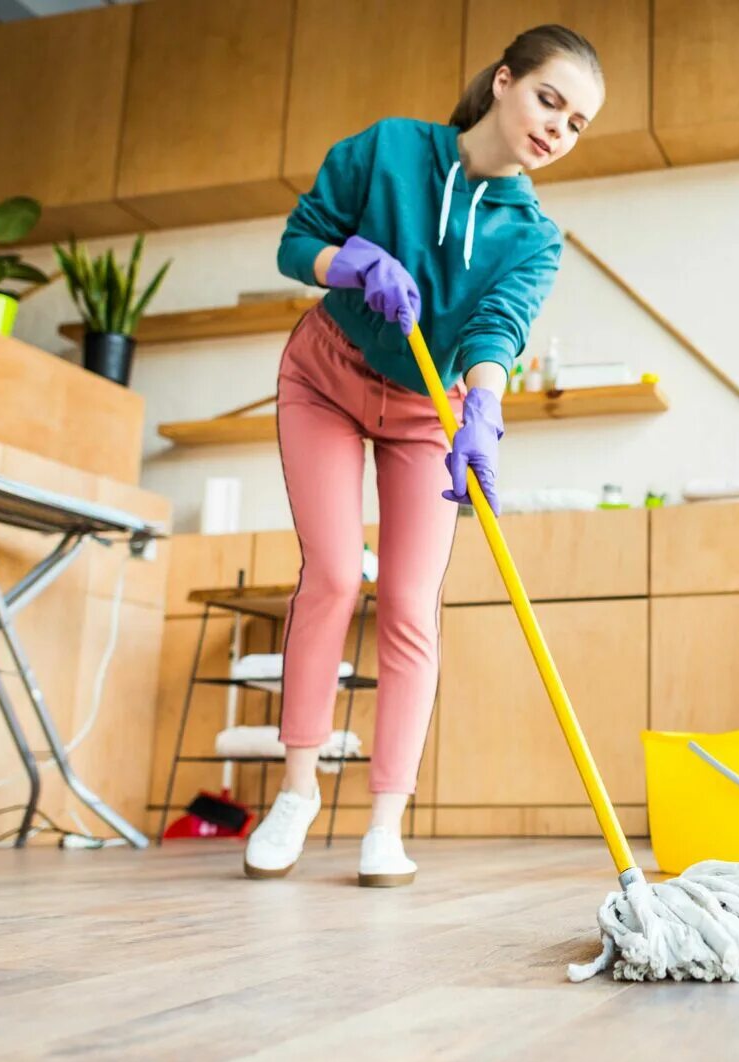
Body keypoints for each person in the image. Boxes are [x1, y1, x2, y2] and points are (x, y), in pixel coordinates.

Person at [241, 25, 605, 887]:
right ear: (505, 81)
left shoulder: (534, 236)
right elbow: (298, 242)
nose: (557, 129)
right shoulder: (392, 149)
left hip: (425, 410)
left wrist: (483, 402)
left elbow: (497, 327)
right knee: (332, 575)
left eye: (578, 123)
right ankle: (296, 791)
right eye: (549, 100)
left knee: (409, 602)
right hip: (325, 376)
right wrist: (350, 260)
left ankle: (385, 823)